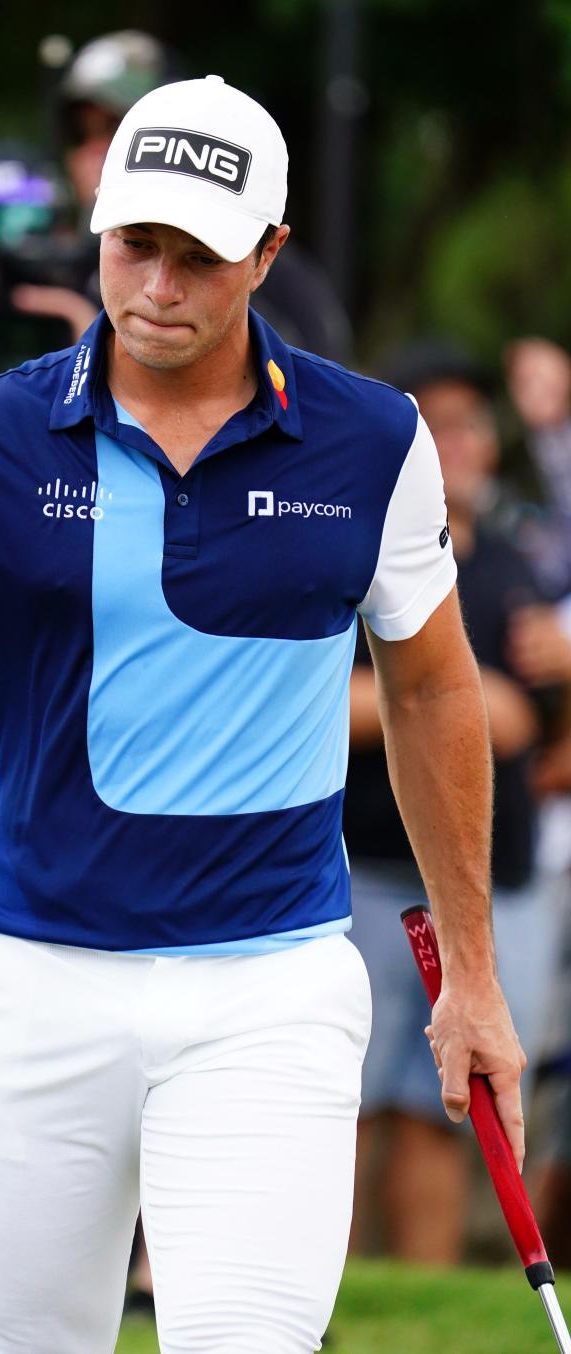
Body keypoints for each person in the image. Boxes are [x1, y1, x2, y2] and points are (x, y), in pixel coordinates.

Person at [0, 78, 524, 1352]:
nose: (161, 286)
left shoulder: (373, 440)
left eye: (202, 255)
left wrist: (474, 973)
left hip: (270, 982)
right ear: (101, 230)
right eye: (139, 245)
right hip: (29, 975)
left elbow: (433, 683)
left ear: (269, 255)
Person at [346, 343, 567, 1263]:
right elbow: (321, 695)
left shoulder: (515, 558)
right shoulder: (357, 544)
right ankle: (318, 1294)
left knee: (446, 1109)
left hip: (494, 878)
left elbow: (542, 729)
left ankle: (418, 1297)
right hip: (372, 871)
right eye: (441, 422)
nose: (463, 442)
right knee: (343, 1108)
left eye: (473, 422)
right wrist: (469, 708)